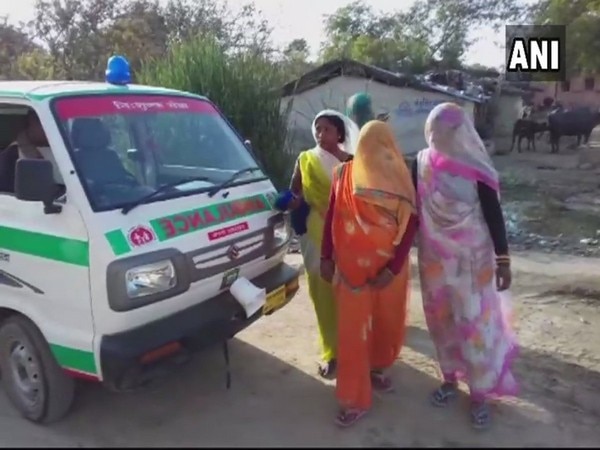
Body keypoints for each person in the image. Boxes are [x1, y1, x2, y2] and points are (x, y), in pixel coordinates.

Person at [412, 102, 518, 430]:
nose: (437, 135)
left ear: (459, 132)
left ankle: (480, 394)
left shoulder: (476, 168)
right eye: (434, 129)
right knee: (440, 321)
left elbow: (493, 215)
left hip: (474, 266)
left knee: (474, 326)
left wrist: (503, 260)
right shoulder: (421, 162)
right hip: (435, 263)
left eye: (444, 129)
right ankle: (448, 379)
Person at [320, 120, 418, 427]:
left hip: (389, 273)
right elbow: (332, 216)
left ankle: (376, 368)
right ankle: (353, 398)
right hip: (350, 272)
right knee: (352, 333)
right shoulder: (342, 174)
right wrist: (326, 256)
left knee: (386, 325)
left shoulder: (400, 178)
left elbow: (411, 225)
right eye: (368, 144)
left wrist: (393, 268)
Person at [287, 110, 360, 378]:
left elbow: (361, 198)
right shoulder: (306, 160)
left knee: (349, 292)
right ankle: (331, 351)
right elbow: (295, 191)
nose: (321, 134)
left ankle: (354, 348)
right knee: (322, 293)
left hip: (348, 234)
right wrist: (291, 202)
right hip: (315, 232)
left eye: (327, 129)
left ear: (339, 134)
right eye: (317, 129)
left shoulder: (352, 162)